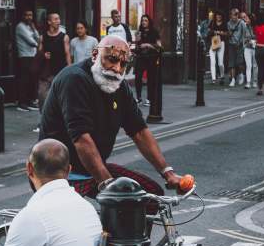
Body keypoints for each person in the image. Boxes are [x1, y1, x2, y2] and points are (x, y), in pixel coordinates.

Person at [39, 35, 182, 214]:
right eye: (112, 60)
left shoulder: (119, 87)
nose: (117, 68)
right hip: (58, 174)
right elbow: (82, 139)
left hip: (91, 169)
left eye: (123, 64)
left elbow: (139, 131)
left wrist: (168, 173)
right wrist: (108, 184)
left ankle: (127, 242)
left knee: (149, 197)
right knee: (79, 221)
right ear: (94, 55)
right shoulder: (75, 79)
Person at [37, 12, 72, 113]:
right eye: (55, 19)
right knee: (42, 95)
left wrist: (69, 70)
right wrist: (43, 55)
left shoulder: (64, 37)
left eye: (59, 19)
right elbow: (38, 54)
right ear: (49, 22)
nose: (58, 21)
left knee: (60, 97)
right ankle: (43, 120)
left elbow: (67, 54)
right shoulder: (42, 38)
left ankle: (59, 120)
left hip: (60, 72)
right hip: (46, 72)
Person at [134, 14, 162, 106]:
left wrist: (148, 45)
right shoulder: (140, 32)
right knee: (138, 77)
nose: (143, 22)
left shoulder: (154, 32)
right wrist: (137, 40)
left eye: (145, 20)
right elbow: (137, 46)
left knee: (151, 79)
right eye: (142, 21)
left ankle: (149, 99)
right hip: (141, 57)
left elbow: (159, 46)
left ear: (149, 22)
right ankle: (138, 98)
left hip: (151, 58)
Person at [15, 10, 40, 112]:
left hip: (32, 56)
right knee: (24, 80)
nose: (29, 17)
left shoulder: (30, 27)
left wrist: (34, 29)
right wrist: (40, 44)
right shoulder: (20, 27)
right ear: (23, 16)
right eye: (27, 15)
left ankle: (30, 101)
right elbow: (32, 42)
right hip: (25, 56)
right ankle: (22, 103)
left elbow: (38, 38)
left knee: (31, 80)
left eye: (30, 15)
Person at [227, 8, 246, 87]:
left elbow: (244, 34)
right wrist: (229, 34)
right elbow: (228, 34)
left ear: (237, 15)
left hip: (239, 45)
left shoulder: (242, 23)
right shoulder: (228, 23)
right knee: (232, 63)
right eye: (232, 15)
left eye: (235, 15)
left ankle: (241, 74)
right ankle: (233, 79)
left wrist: (241, 42)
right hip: (231, 44)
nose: (233, 17)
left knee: (239, 62)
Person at [208, 10, 227, 85]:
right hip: (213, 42)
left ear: (222, 16)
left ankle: (222, 76)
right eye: (217, 15)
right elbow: (209, 30)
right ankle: (213, 79)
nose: (218, 16)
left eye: (220, 15)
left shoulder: (225, 24)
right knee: (212, 61)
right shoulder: (212, 22)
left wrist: (219, 32)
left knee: (220, 63)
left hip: (221, 43)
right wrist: (211, 32)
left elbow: (227, 33)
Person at [242, 13, 258, 89]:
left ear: (251, 20)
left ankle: (254, 81)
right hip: (247, 47)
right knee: (248, 65)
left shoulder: (256, 27)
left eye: (247, 18)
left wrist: (255, 41)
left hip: (255, 47)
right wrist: (246, 42)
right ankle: (248, 82)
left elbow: (259, 36)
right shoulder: (244, 26)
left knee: (255, 66)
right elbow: (243, 37)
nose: (246, 20)